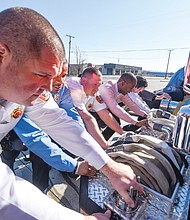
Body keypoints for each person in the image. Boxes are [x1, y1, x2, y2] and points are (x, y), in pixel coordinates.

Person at [0, 7, 143, 220]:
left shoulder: (25, 89)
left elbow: (60, 122)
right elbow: (6, 194)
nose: (49, 88)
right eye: (41, 74)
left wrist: (109, 166)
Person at [67, 67, 125, 147]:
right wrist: (105, 144)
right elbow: (86, 118)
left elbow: (105, 114)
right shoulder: (74, 85)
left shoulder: (94, 92)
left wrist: (123, 133)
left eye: (99, 85)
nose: (97, 89)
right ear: (83, 80)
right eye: (94, 84)